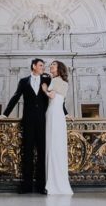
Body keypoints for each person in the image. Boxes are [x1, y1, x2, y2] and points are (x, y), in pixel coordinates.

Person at [0, 58, 51, 194]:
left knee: (42, 153)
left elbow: (55, 97)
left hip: (43, 121)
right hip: (27, 121)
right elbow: (15, 97)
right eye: (40, 65)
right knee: (27, 153)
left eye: (43, 66)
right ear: (34, 66)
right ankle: (26, 186)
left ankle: (41, 186)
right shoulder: (23, 81)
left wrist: (65, 113)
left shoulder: (47, 81)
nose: (43, 68)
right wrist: (5, 114)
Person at [41, 60, 73, 195]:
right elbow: (61, 102)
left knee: (52, 146)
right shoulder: (63, 82)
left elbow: (51, 96)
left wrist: (44, 89)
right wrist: (66, 114)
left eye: (53, 65)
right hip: (58, 113)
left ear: (58, 68)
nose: (50, 66)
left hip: (53, 114)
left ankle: (52, 184)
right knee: (57, 146)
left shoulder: (55, 80)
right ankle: (58, 182)